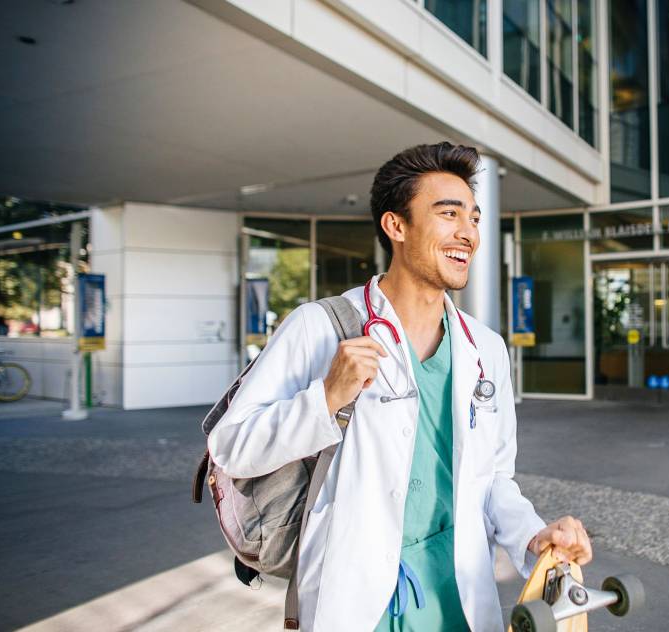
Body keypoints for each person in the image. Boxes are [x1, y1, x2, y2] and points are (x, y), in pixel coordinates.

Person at [208, 142, 592, 631]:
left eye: (473, 219)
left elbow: (494, 481)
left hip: (455, 598)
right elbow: (230, 445)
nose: (468, 233)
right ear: (397, 227)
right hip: (356, 602)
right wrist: (325, 398)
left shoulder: (486, 349)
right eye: (449, 214)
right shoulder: (320, 328)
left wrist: (535, 536)